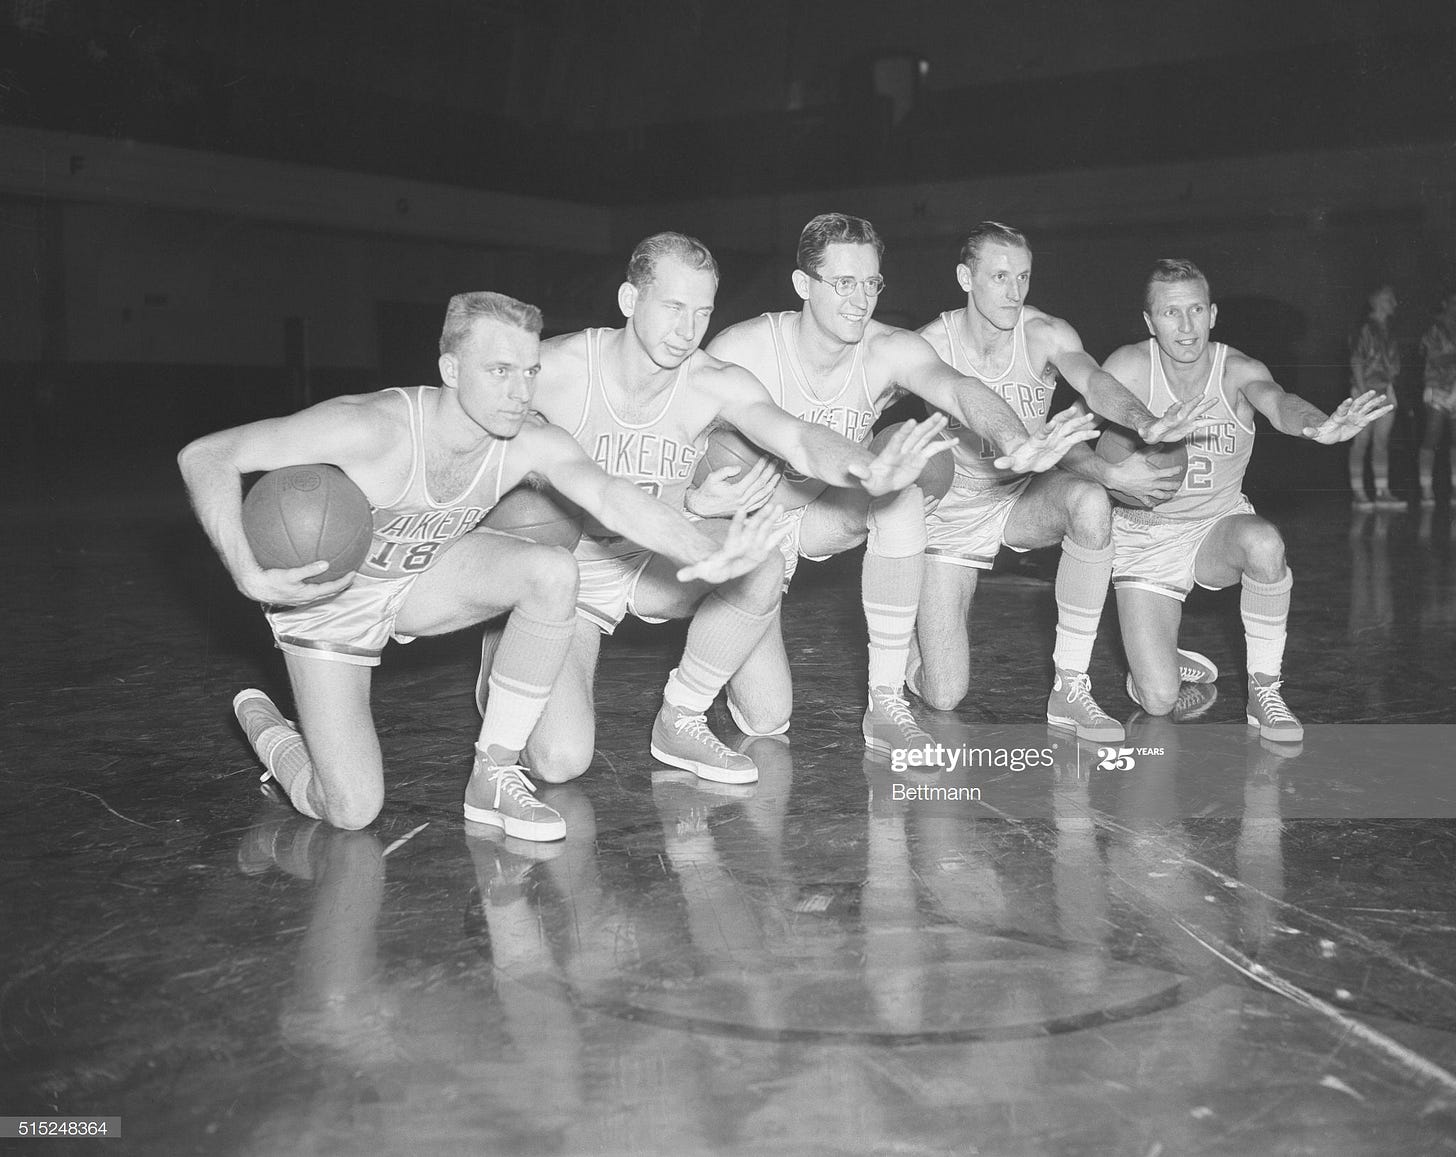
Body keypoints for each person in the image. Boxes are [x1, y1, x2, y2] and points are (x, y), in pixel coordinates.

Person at [178, 291, 780, 840]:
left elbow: (613, 498)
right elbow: (208, 454)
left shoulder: (530, 439)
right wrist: (245, 571)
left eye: (530, 372)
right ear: (449, 370)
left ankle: (492, 774)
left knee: (551, 570)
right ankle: (269, 729)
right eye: (499, 372)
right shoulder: (370, 426)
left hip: (424, 581)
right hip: (331, 603)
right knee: (350, 809)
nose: (521, 392)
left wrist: (707, 549)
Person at [493, 231, 952, 787]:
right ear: (629, 301)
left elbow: (801, 439)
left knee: (766, 681)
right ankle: (506, 642)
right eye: (674, 308)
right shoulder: (557, 369)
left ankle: (680, 717)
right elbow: (461, 428)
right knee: (561, 761)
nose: (687, 330)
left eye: (702, 312)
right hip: (570, 571)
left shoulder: (713, 379)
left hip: (657, 559)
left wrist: (865, 469)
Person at [702, 213, 1101, 750]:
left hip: (820, 518)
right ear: (803, 285)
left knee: (901, 494)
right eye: (843, 283)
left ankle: (884, 700)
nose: (860, 299)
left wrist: (1014, 441)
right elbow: (678, 432)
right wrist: (695, 498)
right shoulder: (742, 348)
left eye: (871, 283)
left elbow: (958, 389)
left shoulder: (887, 348)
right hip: (749, 532)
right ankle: (724, 647)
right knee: (768, 719)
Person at [911, 221, 1211, 740]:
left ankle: (1070, 687)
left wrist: (1143, 421)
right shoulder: (928, 343)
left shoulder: (1046, 333)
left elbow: (1094, 381)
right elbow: (869, 403)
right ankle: (913, 650)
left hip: (1018, 502)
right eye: (999, 276)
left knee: (1091, 502)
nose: (1014, 290)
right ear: (966, 277)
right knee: (944, 694)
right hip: (952, 520)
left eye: (1023, 276)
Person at [1097, 259, 1391, 741]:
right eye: (1171, 313)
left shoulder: (1237, 370)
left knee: (1264, 544)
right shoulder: (1128, 366)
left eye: (1195, 310)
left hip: (1215, 528)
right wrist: (1111, 469)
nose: (1186, 326)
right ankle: (1162, 657)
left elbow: (1277, 402)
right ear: (1150, 322)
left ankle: (1265, 691)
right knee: (1158, 700)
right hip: (1143, 536)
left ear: (1212, 314)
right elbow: (1084, 427)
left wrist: (1317, 425)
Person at [1347, 284, 1403, 509]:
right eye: (1390, 298)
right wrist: (1363, 394)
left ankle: (1382, 491)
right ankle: (1358, 493)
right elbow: (1357, 360)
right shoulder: (1365, 328)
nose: (1395, 303)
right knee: (1361, 442)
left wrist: (1390, 390)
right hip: (1365, 392)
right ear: (1378, 300)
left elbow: (1391, 366)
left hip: (1384, 392)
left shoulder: (1388, 330)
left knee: (1381, 443)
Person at [1418, 290, 1456, 505]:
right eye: (1453, 302)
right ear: (1445, 303)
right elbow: (1429, 359)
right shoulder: (1435, 328)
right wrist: (1429, 386)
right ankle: (1426, 488)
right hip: (1438, 390)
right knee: (1431, 438)